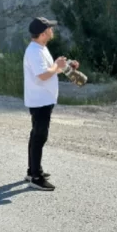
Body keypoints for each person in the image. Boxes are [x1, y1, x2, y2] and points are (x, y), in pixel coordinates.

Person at [23, 17, 79, 191]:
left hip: (43, 99)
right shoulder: (34, 51)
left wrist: (66, 66)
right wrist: (57, 65)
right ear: (43, 33)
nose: (52, 31)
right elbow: (43, 75)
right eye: (50, 28)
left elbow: (50, 69)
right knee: (40, 137)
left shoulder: (41, 48)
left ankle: (33, 170)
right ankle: (35, 177)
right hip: (40, 101)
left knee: (36, 135)